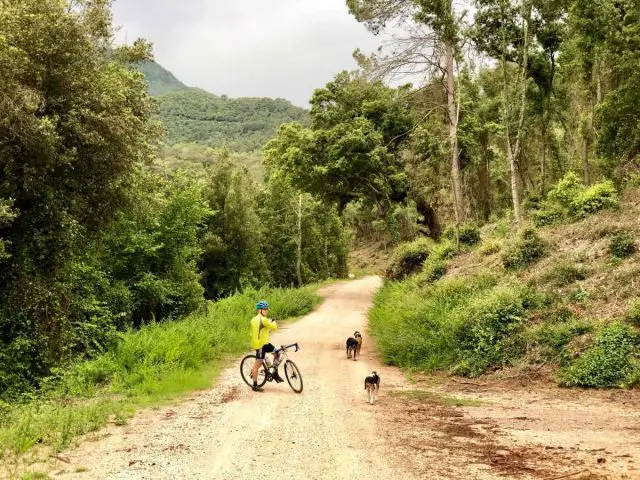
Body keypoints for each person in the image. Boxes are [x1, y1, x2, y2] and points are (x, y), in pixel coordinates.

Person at [250, 300, 284, 391]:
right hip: (260, 345)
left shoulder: (253, 319)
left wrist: (268, 323)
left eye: (267, 309)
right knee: (258, 364)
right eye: (264, 309)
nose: (266, 310)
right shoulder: (264, 319)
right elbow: (274, 327)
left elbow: (261, 328)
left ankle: (275, 373)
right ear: (259, 310)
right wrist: (273, 321)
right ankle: (255, 385)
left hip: (264, 343)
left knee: (277, 353)